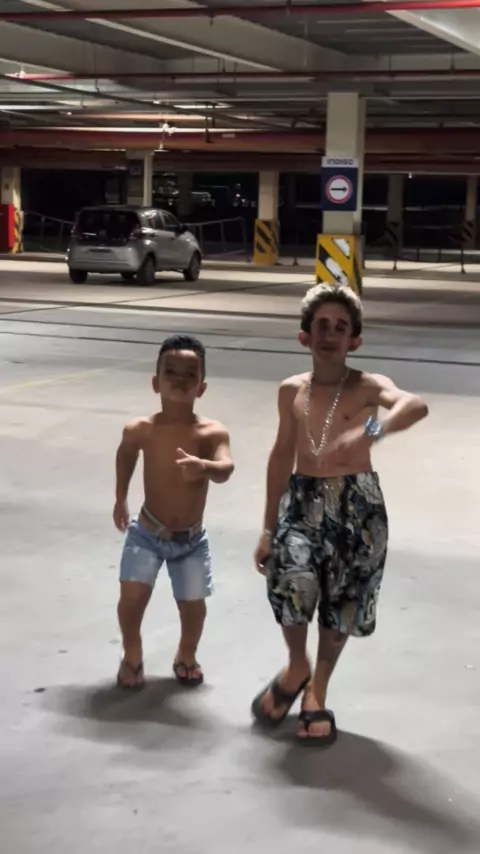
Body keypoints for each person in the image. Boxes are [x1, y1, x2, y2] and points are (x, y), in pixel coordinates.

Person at [252, 283, 429, 746]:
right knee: (290, 581)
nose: (330, 334)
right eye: (321, 325)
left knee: (344, 599)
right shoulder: (291, 390)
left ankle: (317, 690)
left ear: (355, 340)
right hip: (302, 500)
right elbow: (280, 456)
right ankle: (297, 665)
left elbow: (414, 405)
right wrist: (268, 527)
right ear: (304, 336)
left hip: (357, 505)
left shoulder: (367, 385)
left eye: (340, 327)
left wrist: (373, 430)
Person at [113, 334, 234, 690]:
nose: (180, 380)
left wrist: (205, 467)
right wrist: (120, 497)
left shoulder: (212, 432)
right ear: (156, 382)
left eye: (190, 375)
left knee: (194, 607)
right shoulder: (141, 430)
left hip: (191, 540)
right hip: (147, 533)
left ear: (202, 387)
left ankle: (186, 653)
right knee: (131, 598)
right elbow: (125, 453)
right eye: (171, 372)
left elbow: (226, 468)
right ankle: (132, 654)